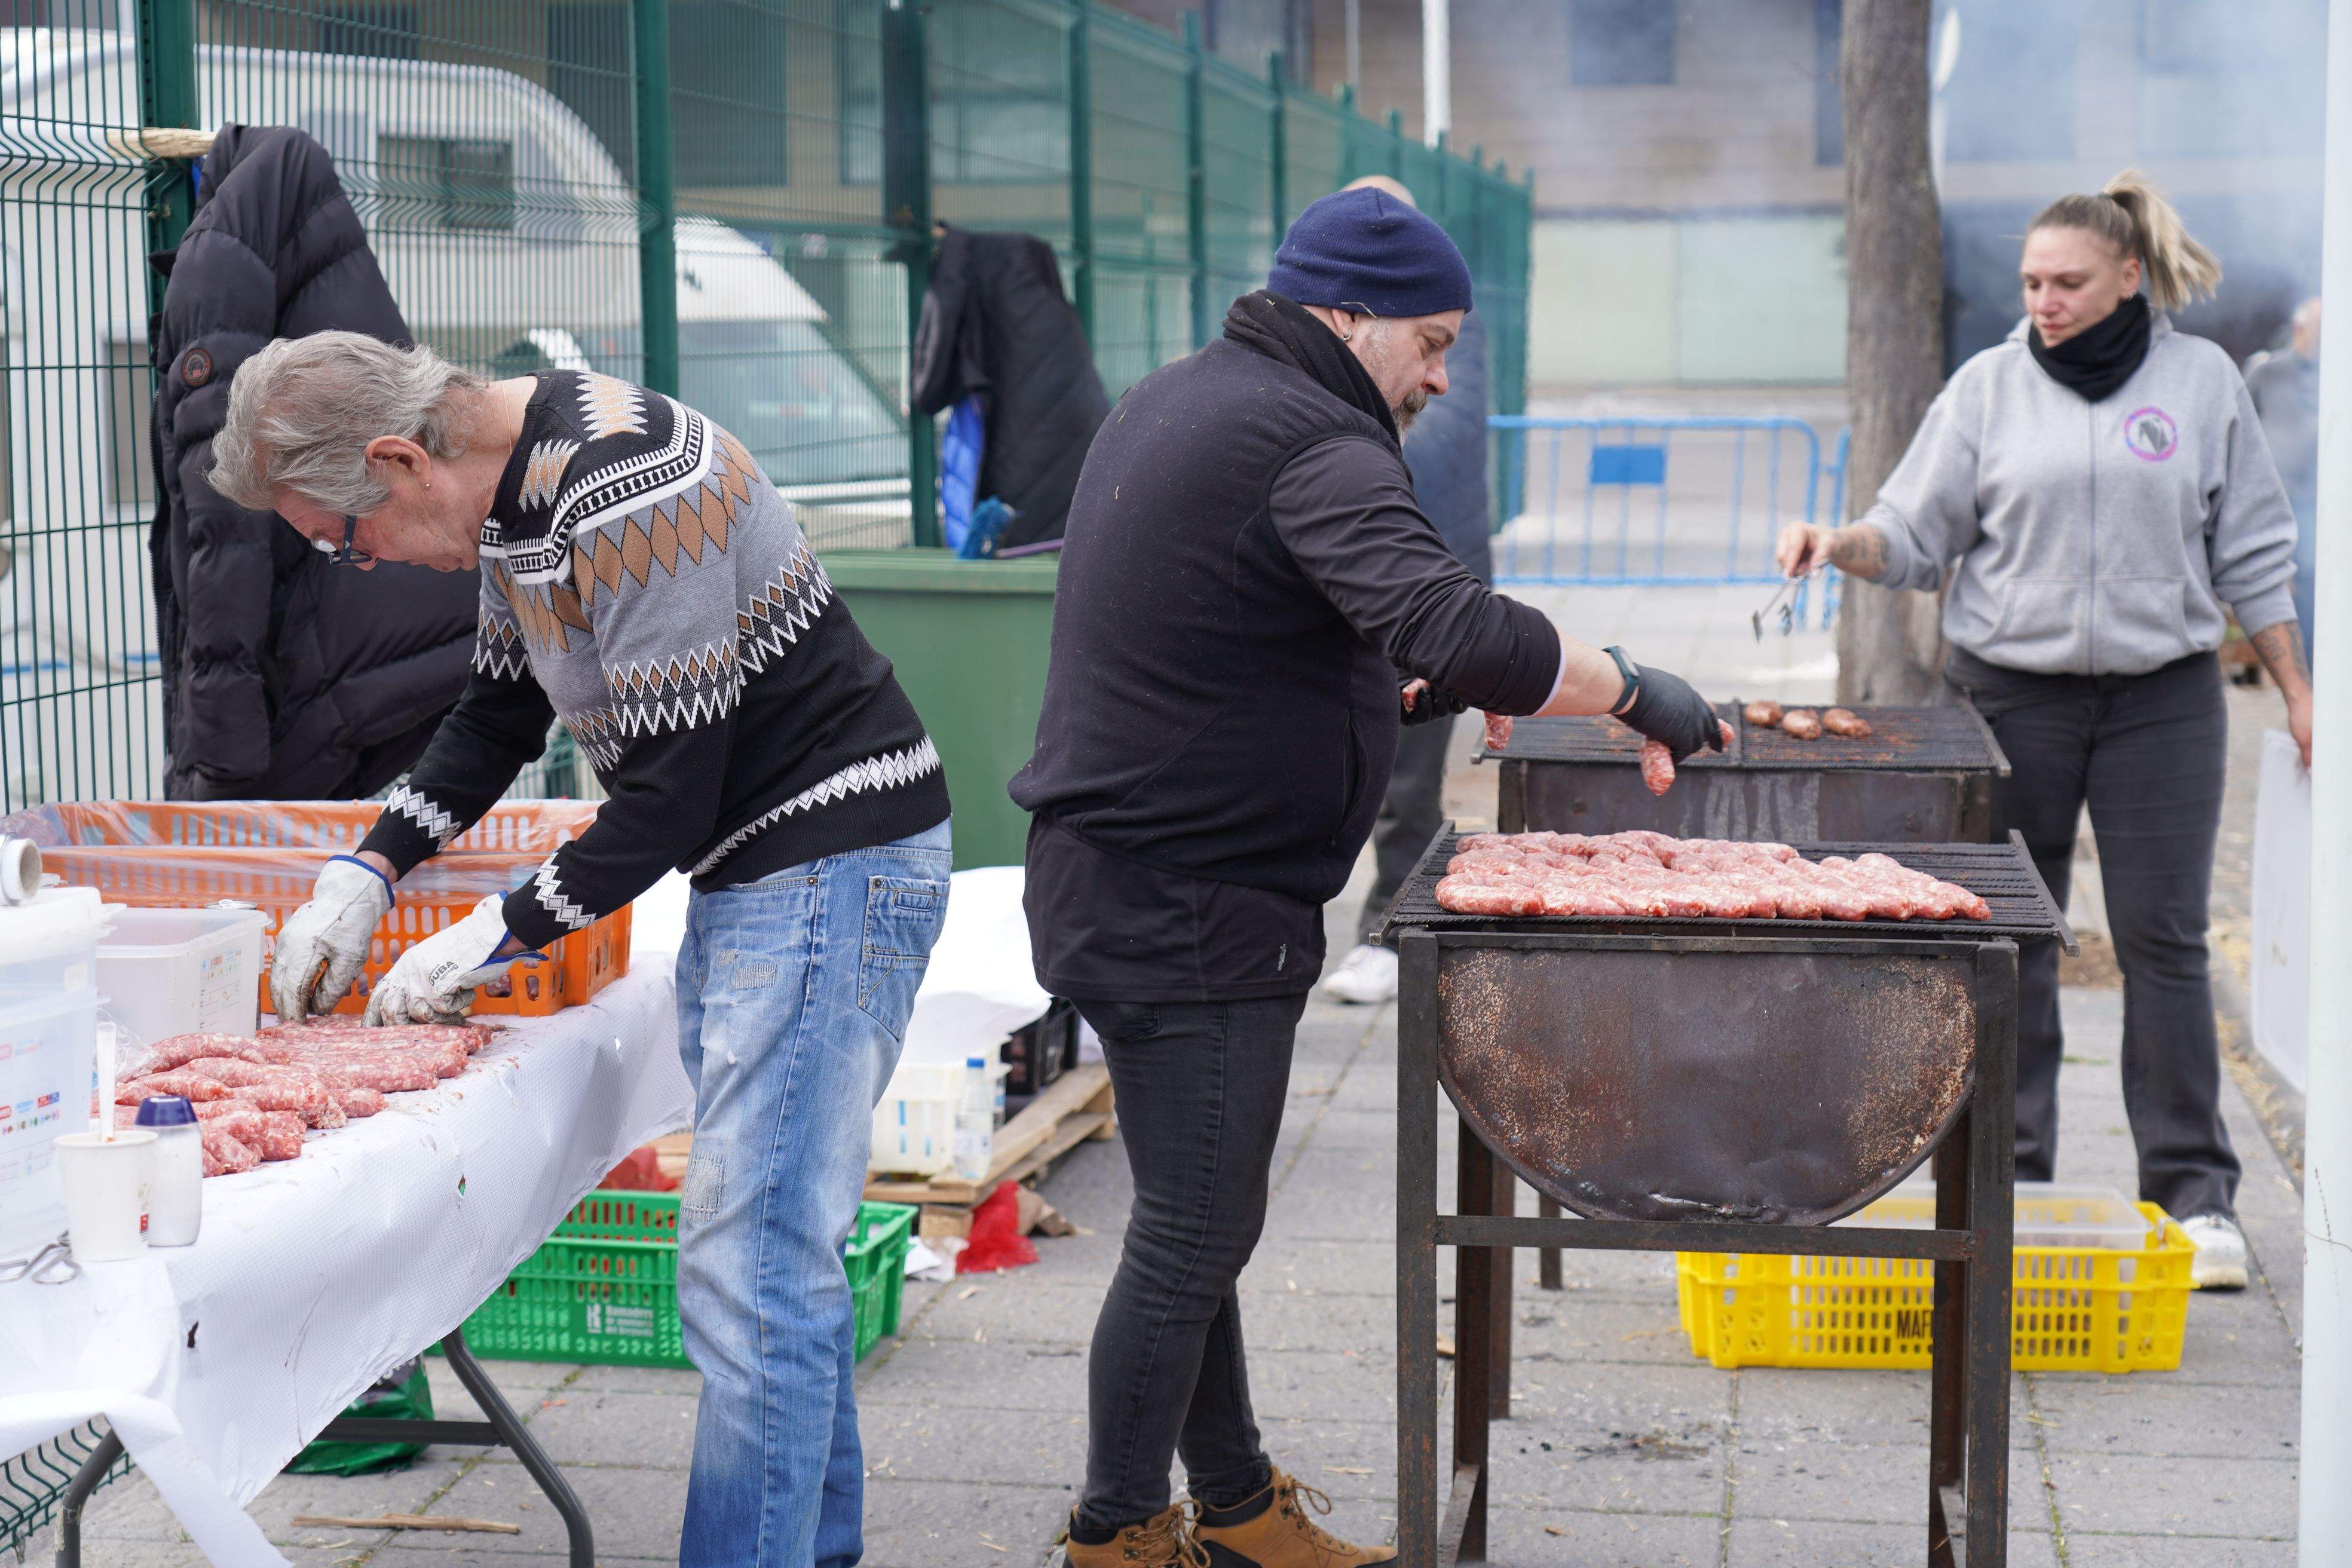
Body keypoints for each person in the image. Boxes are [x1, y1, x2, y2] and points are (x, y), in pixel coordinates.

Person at [1011, 186, 1723, 1567]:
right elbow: (1446, 616)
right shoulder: (1308, 434)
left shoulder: (1184, 396)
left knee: (1188, 1213)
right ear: (1349, 314)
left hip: (1126, 872)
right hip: (1191, 900)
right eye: (1433, 341)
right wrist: (1626, 683)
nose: (1444, 376)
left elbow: (1234, 640)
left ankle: (1231, 1506)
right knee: (1196, 1225)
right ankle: (1112, 1537)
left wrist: (1410, 695)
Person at [210, 333, 953, 1566]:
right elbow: (500, 709)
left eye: (347, 536)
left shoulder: (624, 483)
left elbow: (667, 794)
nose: (365, 564)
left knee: (750, 1265)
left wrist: (499, 933)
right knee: (772, 1259)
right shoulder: (517, 497)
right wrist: (370, 865)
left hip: (829, 862)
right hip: (774, 865)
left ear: (398, 456)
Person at [1775, 170, 2307, 1291]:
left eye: (2068, 281)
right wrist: (1837, 542)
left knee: (2164, 939)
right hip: (2008, 698)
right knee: (2011, 938)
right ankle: (2002, 1180)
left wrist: (2298, 686)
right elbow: (1913, 529)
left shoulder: (2201, 381)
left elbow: (2253, 548)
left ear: (2128, 278)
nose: (2045, 300)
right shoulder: (1988, 387)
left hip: (2164, 697)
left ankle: (2194, 1197)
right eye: (2030, 282)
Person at [151, 124, 478, 800]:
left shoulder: (220, 266)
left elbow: (225, 530)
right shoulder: (302, 220)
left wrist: (216, 763)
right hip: (412, 633)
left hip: (333, 660)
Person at [1322, 174, 1494, 1007]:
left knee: (1411, 776)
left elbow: (1448, 440)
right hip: (1344, 571)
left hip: (1433, 565)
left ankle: (1392, 931)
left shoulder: (1444, 328)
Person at [2246, 296, 2321, 649]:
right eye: (2321, 329)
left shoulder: (2338, 374)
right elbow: (2241, 430)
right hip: (2280, 504)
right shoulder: (2268, 372)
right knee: (2283, 592)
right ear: (2300, 330)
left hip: (2322, 504)